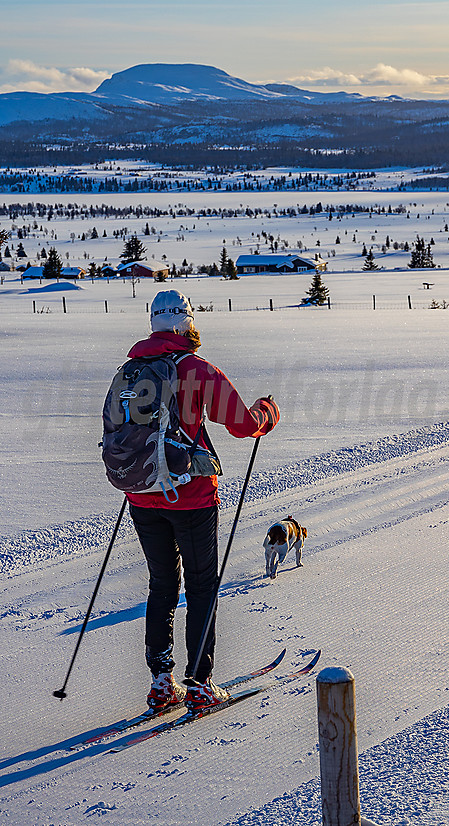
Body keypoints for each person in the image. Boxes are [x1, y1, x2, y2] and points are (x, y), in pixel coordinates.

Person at [125, 289, 279, 712]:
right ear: (184, 324)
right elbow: (243, 425)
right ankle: (200, 685)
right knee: (201, 587)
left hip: (141, 496)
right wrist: (268, 412)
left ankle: (161, 683)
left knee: (161, 586)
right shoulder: (196, 369)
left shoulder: (132, 369)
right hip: (190, 497)